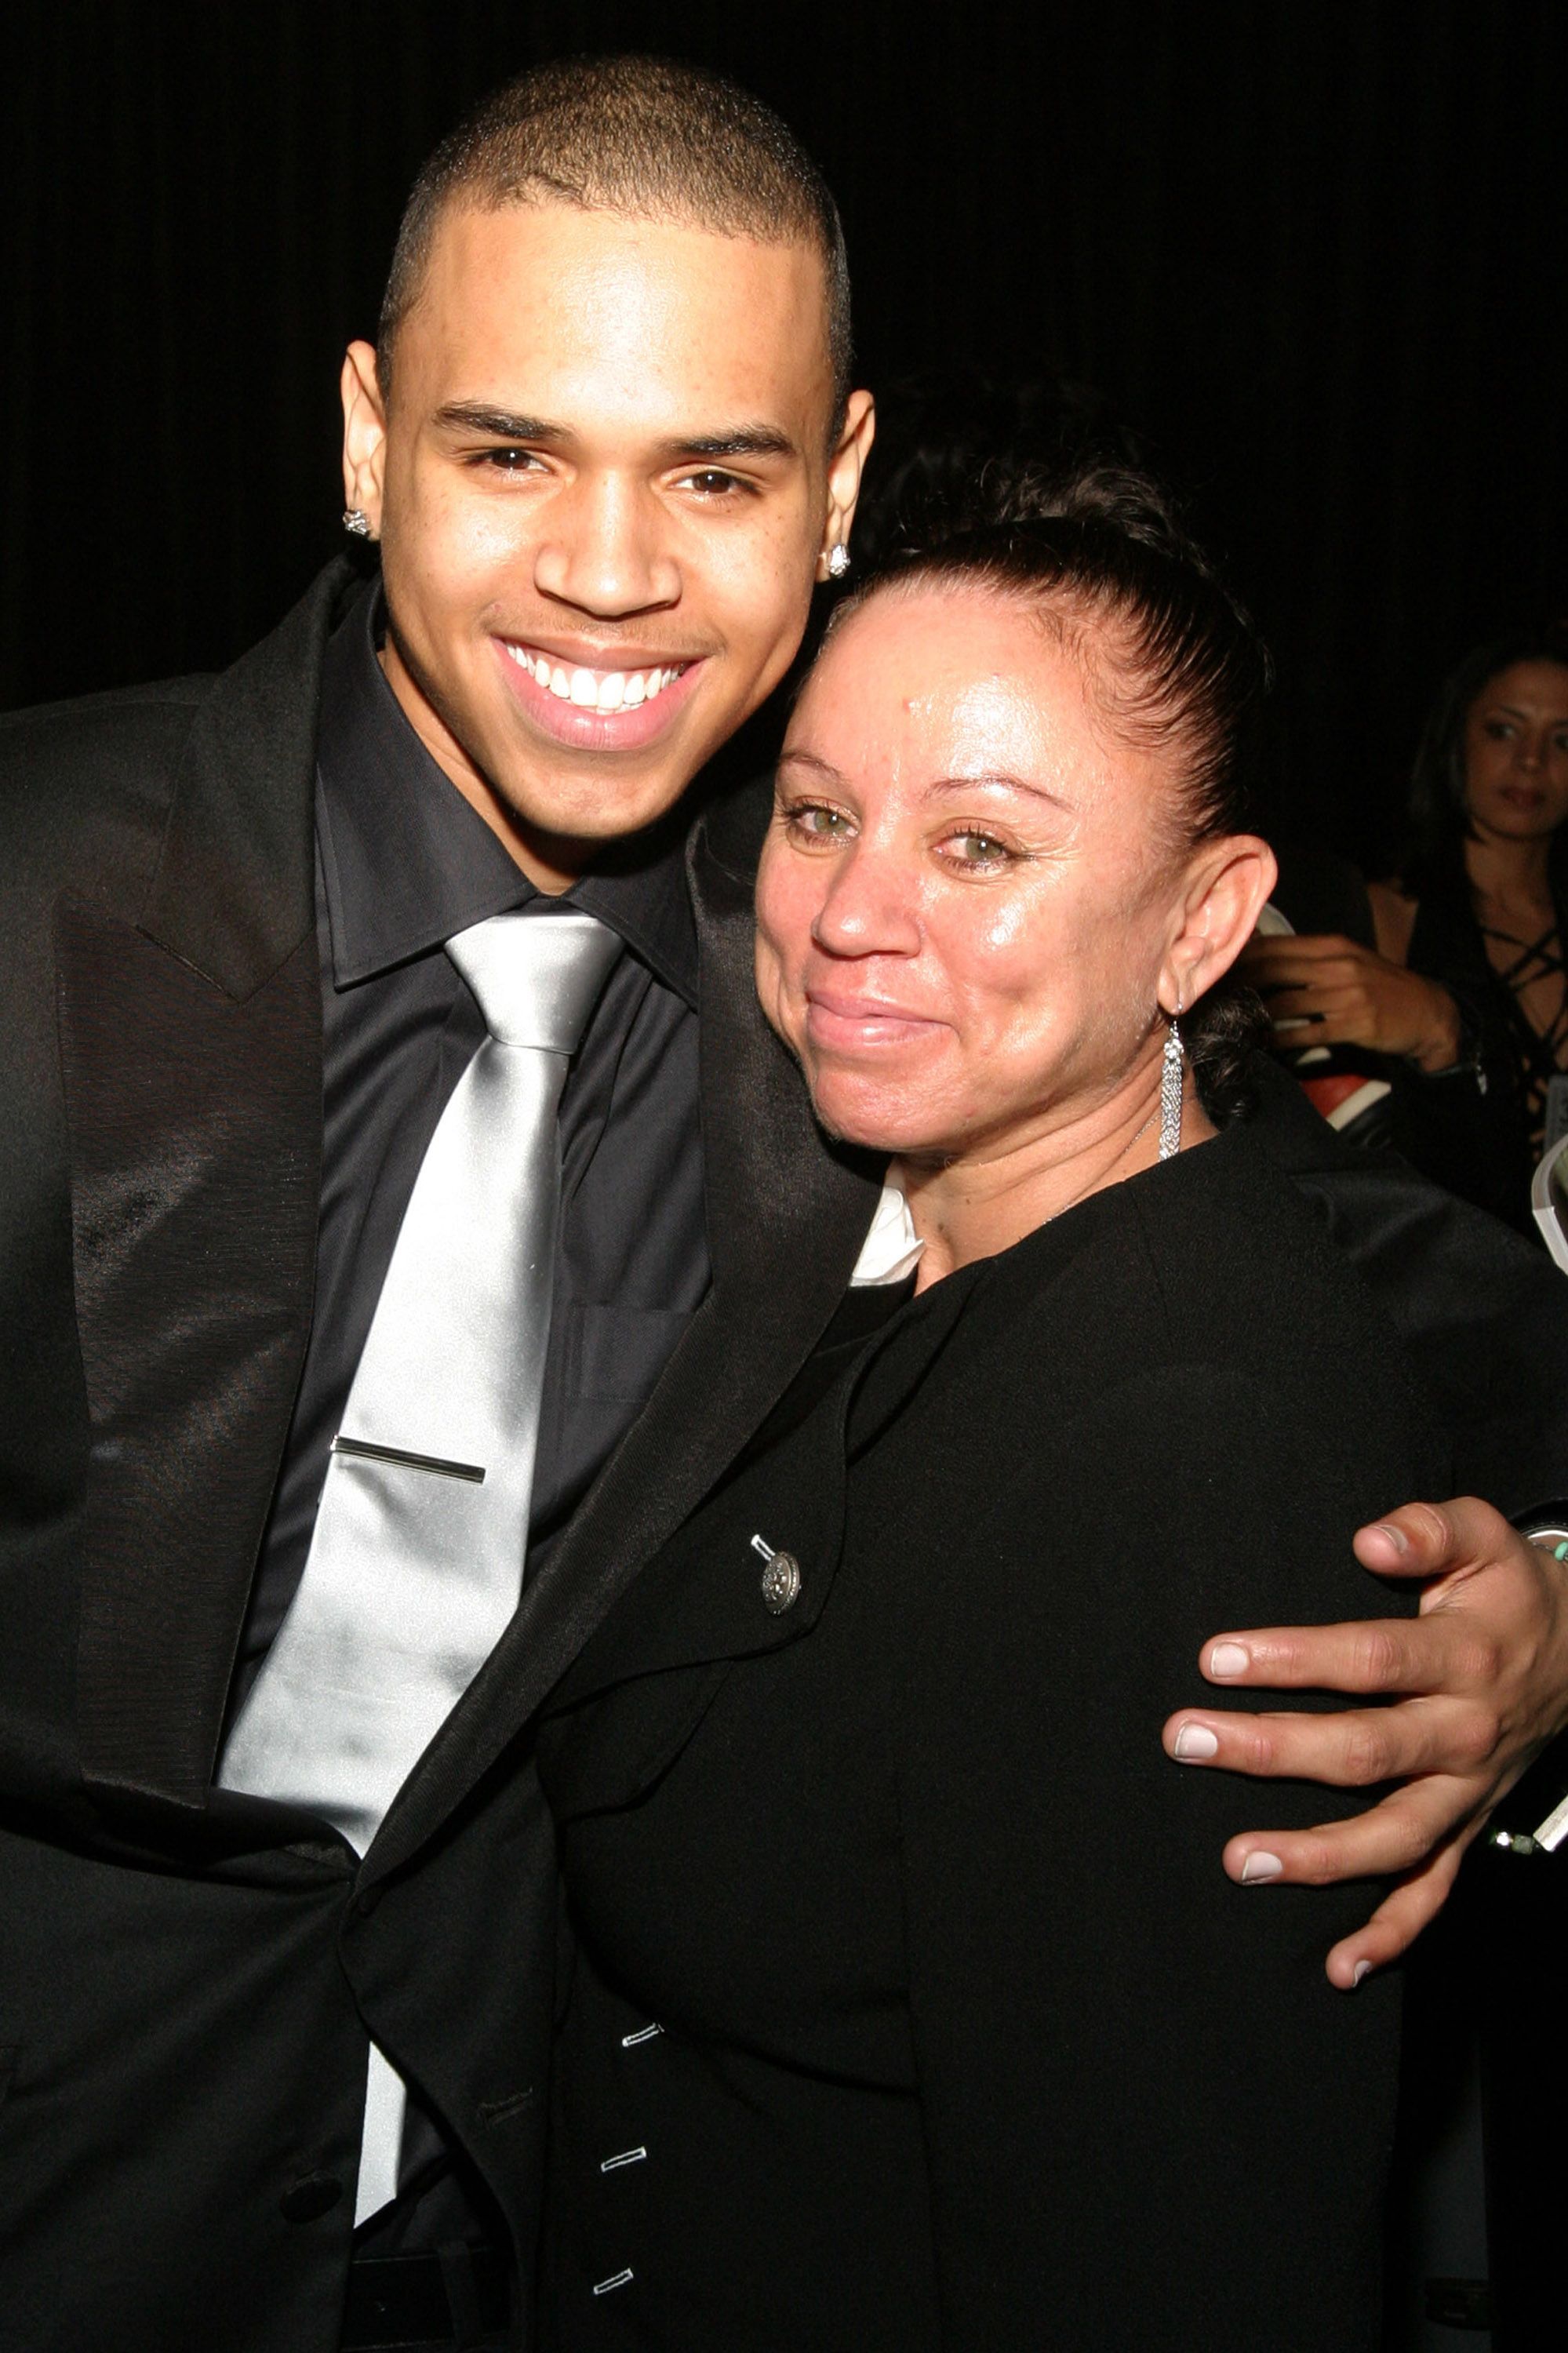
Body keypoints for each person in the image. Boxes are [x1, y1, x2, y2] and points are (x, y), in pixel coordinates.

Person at [0, 51, 1564, 2353]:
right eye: (509, 449)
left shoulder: (828, 948)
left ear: (830, 488)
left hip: (528, 2191)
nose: (613, 573)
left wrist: (1547, 1598)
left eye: (711, 473)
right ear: (362, 437)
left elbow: (1325, 1264)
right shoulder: (42, 890)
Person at [534, 476, 1438, 2349]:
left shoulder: (1182, 1429)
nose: (854, 911)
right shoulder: (878, 1250)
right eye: (815, 814)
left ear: (1203, 925)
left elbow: (1178, 2262)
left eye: (978, 848)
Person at [1240, 625, 1568, 1231]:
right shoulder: (1372, 913)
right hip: (1450, 1263)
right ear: (1455, 740)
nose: (1530, 761)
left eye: (1562, 741)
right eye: (1503, 730)